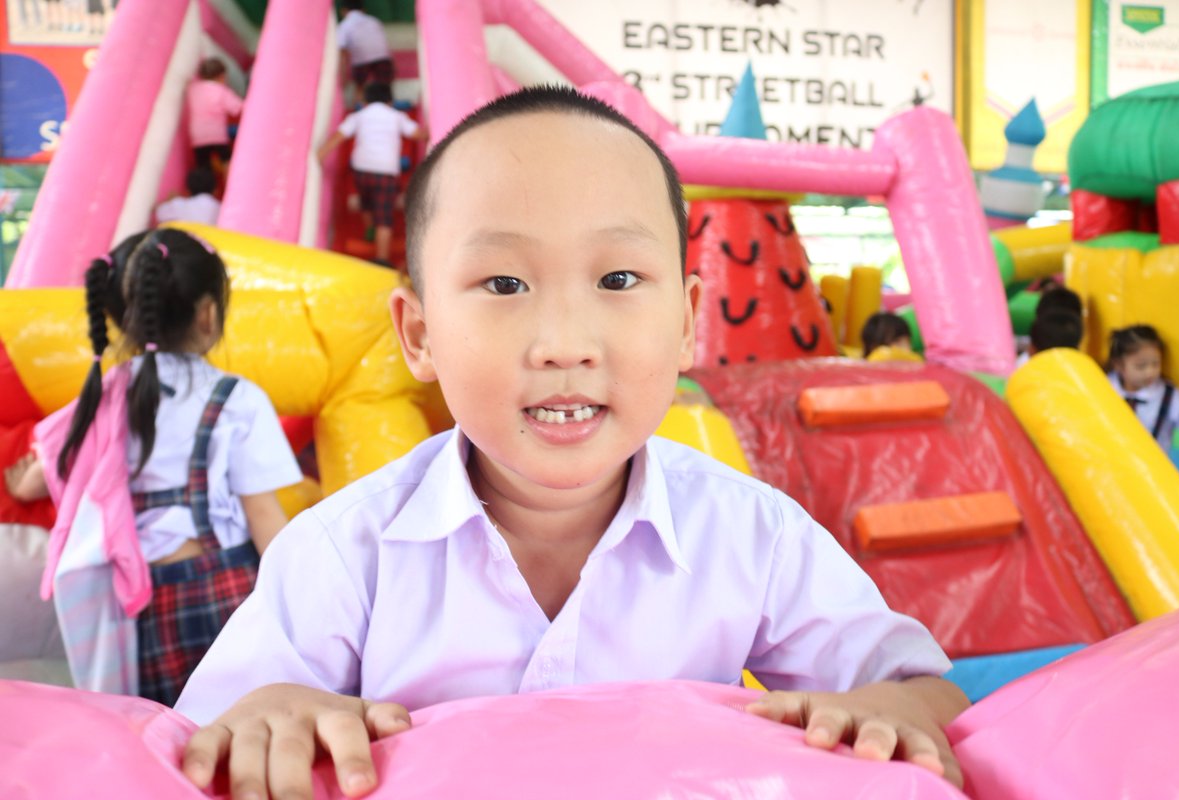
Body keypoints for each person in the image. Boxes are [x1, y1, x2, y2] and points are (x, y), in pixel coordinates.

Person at [177, 86, 969, 799]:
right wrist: (273, 711)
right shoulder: (345, 554)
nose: (564, 344)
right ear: (418, 334)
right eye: (504, 283)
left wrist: (892, 706)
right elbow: (215, 736)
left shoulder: (755, 537)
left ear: (687, 321)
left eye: (618, 280)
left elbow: (928, 698)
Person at [3, 228, 301, 706]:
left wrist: (26, 486)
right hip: (226, 591)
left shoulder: (108, 392)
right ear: (208, 314)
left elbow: (55, 465)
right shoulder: (236, 399)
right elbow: (265, 518)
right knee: (236, 722)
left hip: (140, 605)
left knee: (163, 728)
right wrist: (304, 599)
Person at [317, 82, 425, 267]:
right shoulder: (396, 116)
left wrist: (320, 155)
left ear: (365, 101)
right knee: (384, 215)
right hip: (386, 171)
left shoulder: (359, 116)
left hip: (361, 170)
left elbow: (339, 136)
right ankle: (382, 258)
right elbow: (418, 134)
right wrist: (427, 131)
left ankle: (370, 229)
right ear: (390, 101)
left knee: (366, 201)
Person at [1107, 324, 1179, 452]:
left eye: (1156, 364)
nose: (1150, 372)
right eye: (1141, 366)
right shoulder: (1104, 387)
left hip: (1150, 463)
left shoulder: (1169, 395)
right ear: (1118, 365)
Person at [187, 57, 243, 172]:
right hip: (217, 135)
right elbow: (237, 108)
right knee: (226, 160)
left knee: (203, 166)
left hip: (198, 137)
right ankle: (229, 181)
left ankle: (207, 181)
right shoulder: (221, 90)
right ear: (221, 76)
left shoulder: (193, 89)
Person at [336, 0, 393, 102]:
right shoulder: (374, 21)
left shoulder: (344, 25)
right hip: (383, 57)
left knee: (360, 87)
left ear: (343, 11)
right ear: (363, 10)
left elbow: (342, 52)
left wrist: (343, 77)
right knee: (386, 88)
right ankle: (389, 105)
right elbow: (384, 45)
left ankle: (358, 105)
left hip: (360, 60)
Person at [155, 167, 222, 226]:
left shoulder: (178, 205)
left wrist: (170, 200)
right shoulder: (221, 209)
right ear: (215, 191)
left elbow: (159, 213)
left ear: (188, 191)